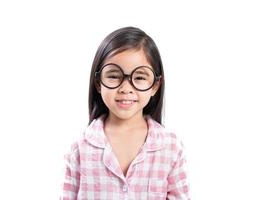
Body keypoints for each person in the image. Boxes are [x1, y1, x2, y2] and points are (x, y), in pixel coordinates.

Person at [60, 26, 190, 200]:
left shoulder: (171, 147)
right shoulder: (79, 150)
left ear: (155, 86)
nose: (126, 88)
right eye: (114, 76)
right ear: (98, 83)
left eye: (140, 77)